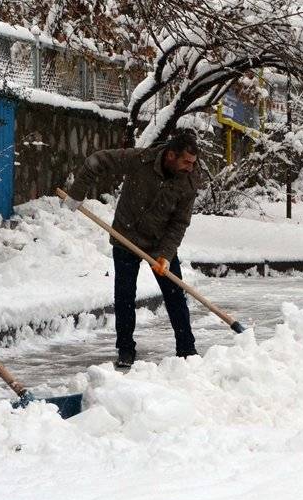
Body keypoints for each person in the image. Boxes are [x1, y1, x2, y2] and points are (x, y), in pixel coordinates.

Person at [61, 129, 200, 368]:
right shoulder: (140, 159)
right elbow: (98, 160)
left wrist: (166, 255)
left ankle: (187, 350)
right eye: (186, 161)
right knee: (125, 297)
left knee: (175, 295)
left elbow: (179, 223)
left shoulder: (187, 182)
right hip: (126, 237)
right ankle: (125, 350)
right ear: (170, 155)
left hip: (159, 244)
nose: (190, 167)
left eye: (193, 163)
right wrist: (77, 193)